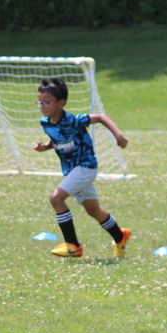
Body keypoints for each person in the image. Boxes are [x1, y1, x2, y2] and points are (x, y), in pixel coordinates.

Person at [33, 77, 131, 258]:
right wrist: (44, 147)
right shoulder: (45, 122)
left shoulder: (73, 120)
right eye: (40, 101)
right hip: (72, 170)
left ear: (61, 103)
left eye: (47, 102)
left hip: (85, 166)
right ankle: (120, 236)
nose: (42, 106)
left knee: (56, 199)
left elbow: (100, 117)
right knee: (93, 210)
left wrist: (118, 136)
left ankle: (73, 245)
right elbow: (58, 140)